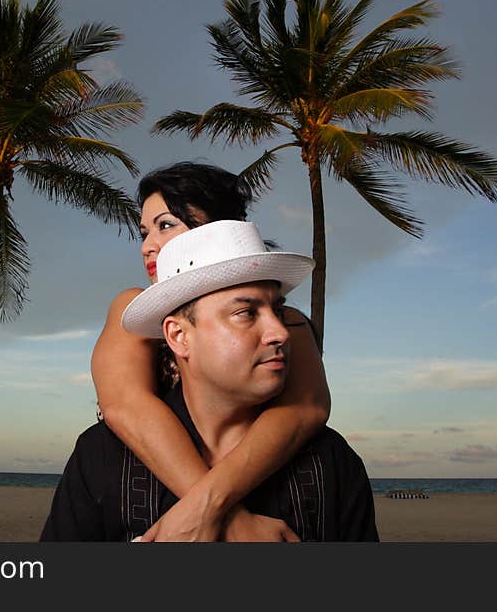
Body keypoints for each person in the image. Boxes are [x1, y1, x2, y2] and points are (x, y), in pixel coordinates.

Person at [40, 220, 378, 541]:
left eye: (278, 310)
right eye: (246, 313)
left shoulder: (331, 461)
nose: (280, 333)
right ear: (178, 336)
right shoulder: (103, 457)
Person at [91, 163, 331, 541]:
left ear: (218, 228)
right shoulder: (133, 309)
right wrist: (230, 520)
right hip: (144, 485)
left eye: (166, 225)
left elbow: (305, 409)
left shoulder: (284, 323)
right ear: (175, 335)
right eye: (144, 231)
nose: (147, 245)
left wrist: (209, 506)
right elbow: (125, 406)